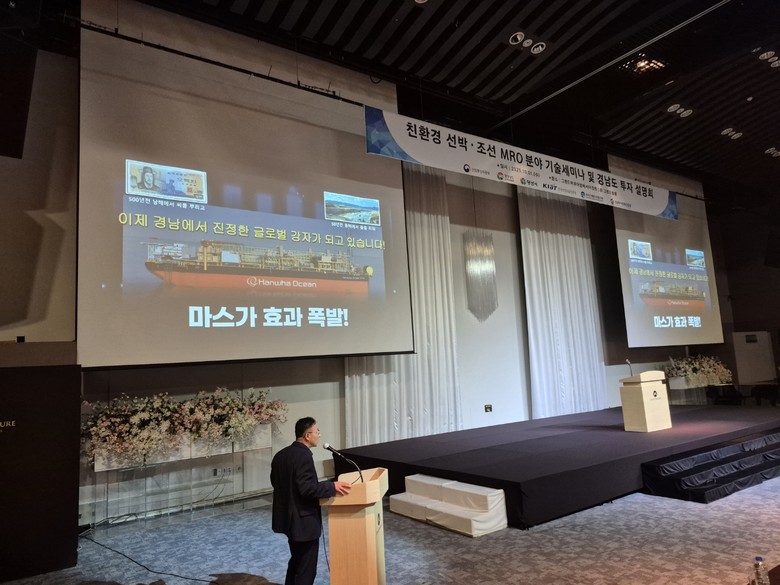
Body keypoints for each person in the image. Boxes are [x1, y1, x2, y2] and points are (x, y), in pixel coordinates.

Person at [271, 417, 351, 585]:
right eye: (317, 431)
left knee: (296, 561)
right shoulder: (303, 456)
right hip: (303, 521)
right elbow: (307, 489)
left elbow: (276, 482)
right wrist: (332, 486)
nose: (319, 435)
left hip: (288, 519)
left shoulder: (280, 455)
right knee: (306, 570)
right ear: (307, 435)